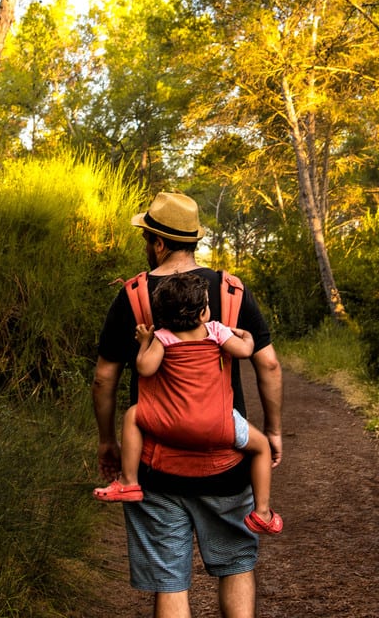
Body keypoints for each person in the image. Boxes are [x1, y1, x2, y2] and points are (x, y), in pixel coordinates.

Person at [93, 191, 284, 618]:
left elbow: (105, 375)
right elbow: (267, 365)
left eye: (148, 236)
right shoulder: (231, 292)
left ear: (158, 243)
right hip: (226, 463)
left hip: (156, 469)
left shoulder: (134, 296)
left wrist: (108, 441)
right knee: (236, 566)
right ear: (192, 238)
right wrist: (271, 432)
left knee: (170, 582)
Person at [93, 272, 282, 535]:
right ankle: (262, 512)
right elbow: (246, 352)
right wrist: (247, 337)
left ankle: (129, 481)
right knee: (261, 447)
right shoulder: (216, 331)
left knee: (133, 416)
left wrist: (146, 342)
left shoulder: (162, 337)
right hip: (220, 425)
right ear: (204, 312)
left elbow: (144, 369)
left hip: (170, 427)